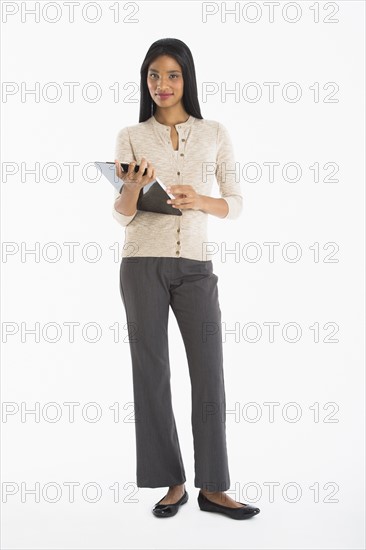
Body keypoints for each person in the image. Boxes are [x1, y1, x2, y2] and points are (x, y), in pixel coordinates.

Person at [112, 37, 260, 520]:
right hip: (142, 265)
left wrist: (200, 201)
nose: (162, 85)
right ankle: (172, 482)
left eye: (172, 75)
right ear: (145, 81)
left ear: (187, 79)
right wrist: (132, 188)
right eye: (154, 76)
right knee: (150, 374)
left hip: (196, 268)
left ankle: (214, 487)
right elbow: (122, 216)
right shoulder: (131, 135)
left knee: (209, 374)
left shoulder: (215, 132)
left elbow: (235, 203)